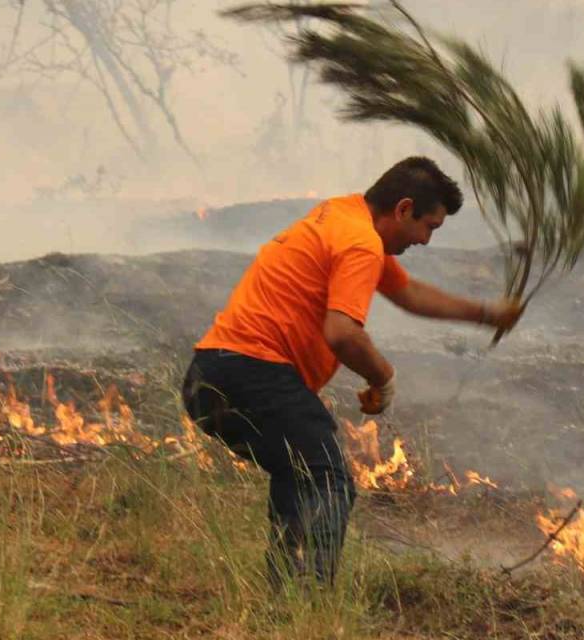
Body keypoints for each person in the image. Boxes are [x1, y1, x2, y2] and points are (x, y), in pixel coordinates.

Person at [181, 156, 521, 586]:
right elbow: (342, 333)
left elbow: (408, 292)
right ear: (402, 209)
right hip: (254, 372)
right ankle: (305, 599)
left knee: (301, 470)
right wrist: (384, 378)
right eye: (428, 226)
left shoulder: (341, 214)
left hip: (208, 374)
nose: (426, 240)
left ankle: (288, 595)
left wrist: (486, 314)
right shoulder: (361, 242)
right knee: (326, 477)